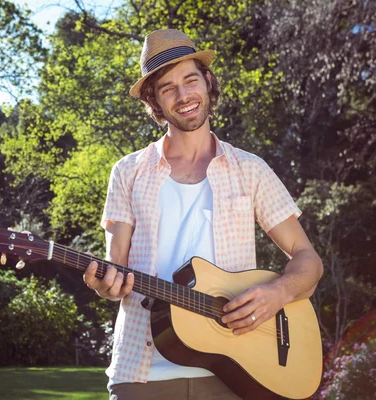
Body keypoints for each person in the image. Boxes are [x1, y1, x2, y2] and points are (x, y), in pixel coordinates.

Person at [83, 29, 324, 400]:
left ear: (208, 83)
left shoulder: (251, 169)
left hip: (238, 369)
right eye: (167, 88)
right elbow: (114, 270)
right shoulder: (127, 173)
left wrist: (277, 293)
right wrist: (105, 285)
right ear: (154, 102)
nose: (183, 96)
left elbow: (308, 261)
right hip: (141, 372)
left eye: (190, 80)